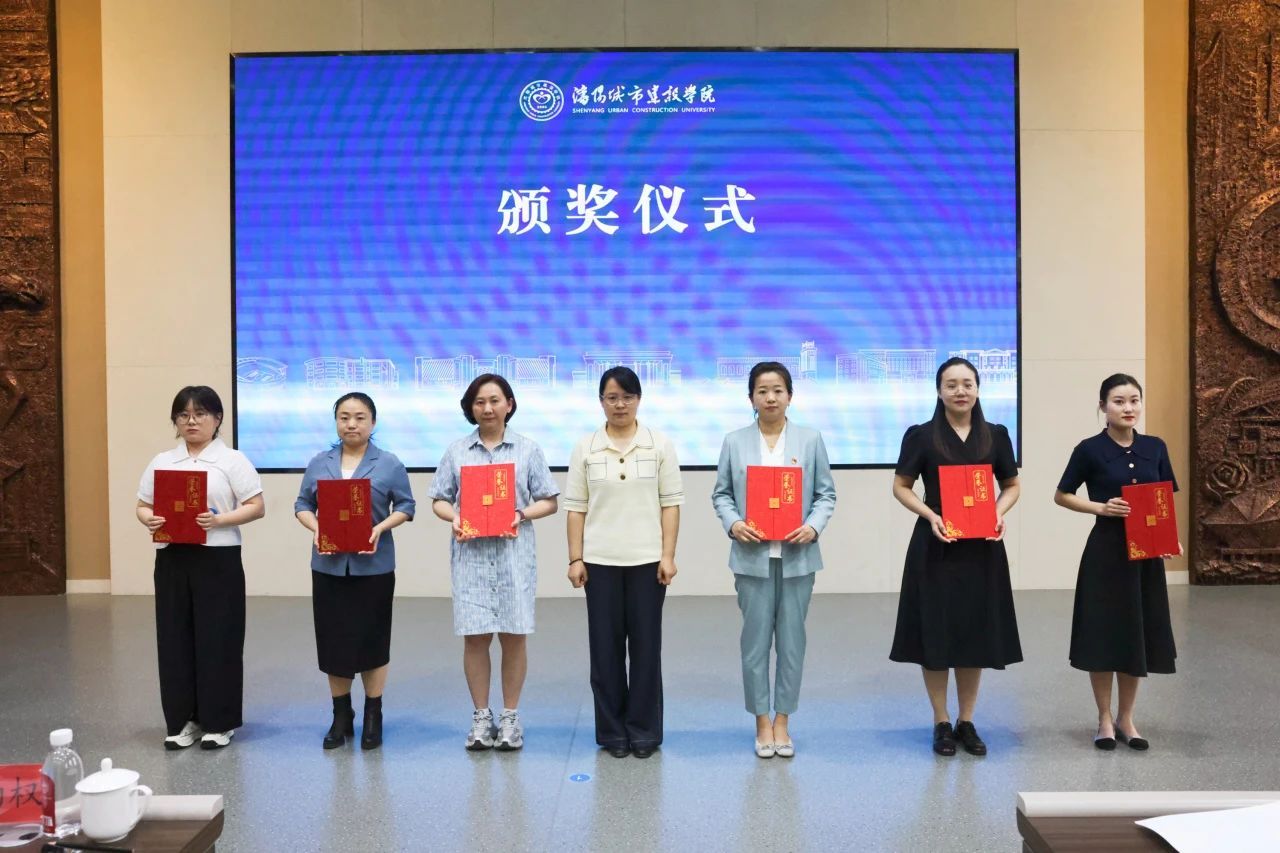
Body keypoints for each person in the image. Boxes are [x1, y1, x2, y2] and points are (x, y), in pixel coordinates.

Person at [889, 357, 1022, 756]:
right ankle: (941, 721)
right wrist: (930, 516)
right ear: (939, 391)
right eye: (951, 385)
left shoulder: (996, 435)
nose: (960, 391)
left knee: (973, 632)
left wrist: (996, 513)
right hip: (935, 546)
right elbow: (901, 486)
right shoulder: (922, 435)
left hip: (982, 548)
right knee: (936, 632)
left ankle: (966, 720)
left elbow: (1012, 485)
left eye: (967, 383)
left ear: (978, 389)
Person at [711, 362, 836, 758]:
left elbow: (826, 494)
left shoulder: (810, 440)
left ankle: (783, 720)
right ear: (751, 397)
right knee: (755, 643)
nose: (770, 397)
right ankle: (761, 721)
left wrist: (813, 526)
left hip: (798, 557)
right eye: (762, 391)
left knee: (792, 643)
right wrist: (734, 524)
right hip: (752, 558)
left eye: (778, 390)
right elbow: (721, 494)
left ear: (790, 396)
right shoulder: (734, 442)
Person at [429, 374, 559, 751]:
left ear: (509, 405)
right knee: (475, 638)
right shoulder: (457, 451)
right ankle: (481, 717)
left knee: (514, 637)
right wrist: (454, 517)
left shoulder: (528, 450)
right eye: (479, 402)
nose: (487, 408)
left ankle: (511, 718)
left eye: (495, 400)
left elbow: (549, 500)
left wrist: (521, 513)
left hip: (512, 556)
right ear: (470, 408)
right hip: (471, 557)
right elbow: (438, 499)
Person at [1053, 374, 1179, 751]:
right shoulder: (1089, 449)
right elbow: (1062, 495)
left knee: (1135, 633)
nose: (1128, 408)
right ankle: (1104, 718)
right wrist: (1101, 508)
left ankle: (1127, 718)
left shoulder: (1155, 447)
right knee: (1103, 633)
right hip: (1106, 552)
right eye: (1119, 401)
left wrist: (1169, 538)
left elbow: (1165, 499)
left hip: (1146, 555)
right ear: (1103, 407)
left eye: (1134, 400)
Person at [563, 366, 683, 759]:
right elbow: (576, 508)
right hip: (599, 562)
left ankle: (644, 731)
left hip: (647, 562)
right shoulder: (586, 447)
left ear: (638, 399)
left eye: (627, 397)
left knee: (647, 650)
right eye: (612, 398)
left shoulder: (659, 444)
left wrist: (667, 555)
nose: (620, 405)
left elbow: (670, 504)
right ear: (601, 401)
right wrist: (576, 558)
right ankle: (613, 731)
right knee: (606, 650)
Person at [136, 386, 265, 750]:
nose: (191, 421)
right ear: (175, 421)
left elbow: (256, 506)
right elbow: (142, 505)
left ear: (217, 418)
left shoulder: (232, 460)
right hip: (173, 556)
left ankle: (219, 722)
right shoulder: (163, 461)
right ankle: (182, 721)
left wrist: (219, 520)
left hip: (218, 557)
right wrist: (149, 519)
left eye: (200, 414)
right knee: (174, 638)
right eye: (183, 415)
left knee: (218, 638)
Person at [294, 392, 415, 751]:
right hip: (329, 566)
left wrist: (380, 528)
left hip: (373, 567)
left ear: (372, 422)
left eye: (360, 417)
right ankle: (341, 714)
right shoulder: (320, 462)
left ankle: (374, 713)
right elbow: (302, 504)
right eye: (344, 417)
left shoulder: (388, 463)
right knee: (334, 641)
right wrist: (317, 528)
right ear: (336, 422)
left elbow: (406, 506)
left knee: (372, 640)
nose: (351, 424)